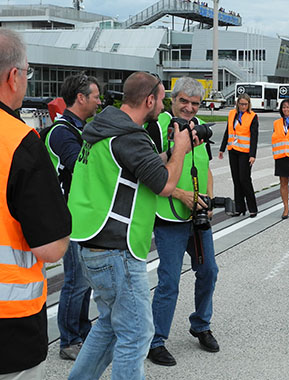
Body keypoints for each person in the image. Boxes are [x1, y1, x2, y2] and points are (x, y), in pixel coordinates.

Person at [67, 71, 193, 380]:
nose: (163, 107)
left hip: (91, 244)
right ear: (150, 100)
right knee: (137, 334)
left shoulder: (103, 129)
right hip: (117, 251)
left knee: (110, 325)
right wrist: (180, 150)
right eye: (162, 100)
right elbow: (164, 184)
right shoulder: (129, 137)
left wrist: (167, 152)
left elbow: (140, 166)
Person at [0, 28, 71, 379]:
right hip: (10, 327)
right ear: (14, 76)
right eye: (27, 73)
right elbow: (51, 249)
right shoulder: (20, 142)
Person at [145, 77, 220, 367]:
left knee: (209, 271)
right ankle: (156, 341)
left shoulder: (200, 127)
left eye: (195, 103)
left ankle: (200, 324)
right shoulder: (157, 127)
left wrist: (209, 200)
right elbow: (149, 171)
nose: (189, 108)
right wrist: (181, 194)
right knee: (169, 281)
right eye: (183, 101)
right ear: (172, 100)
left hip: (198, 216)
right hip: (169, 217)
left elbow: (206, 168)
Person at [45, 73, 101, 361]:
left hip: (81, 215)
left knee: (84, 280)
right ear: (81, 98)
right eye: (95, 96)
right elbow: (81, 167)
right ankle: (68, 341)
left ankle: (81, 331)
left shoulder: (78, 128)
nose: (99, 101)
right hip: (69, 217)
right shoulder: (62, 131)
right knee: (75, 281)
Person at [218, 93, 259, 218]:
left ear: (249, 104)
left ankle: (252, 207)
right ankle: (239, 208)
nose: (243, 106)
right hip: (233, 150)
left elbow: (254, 137)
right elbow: (228, 131)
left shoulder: (252, 116)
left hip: (245, 153)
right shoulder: (232, 114)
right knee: (236, 180)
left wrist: (253, 155)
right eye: (241, 104)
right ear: (237, 104)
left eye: (245, 104)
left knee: (244, 179)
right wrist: (222, 148)